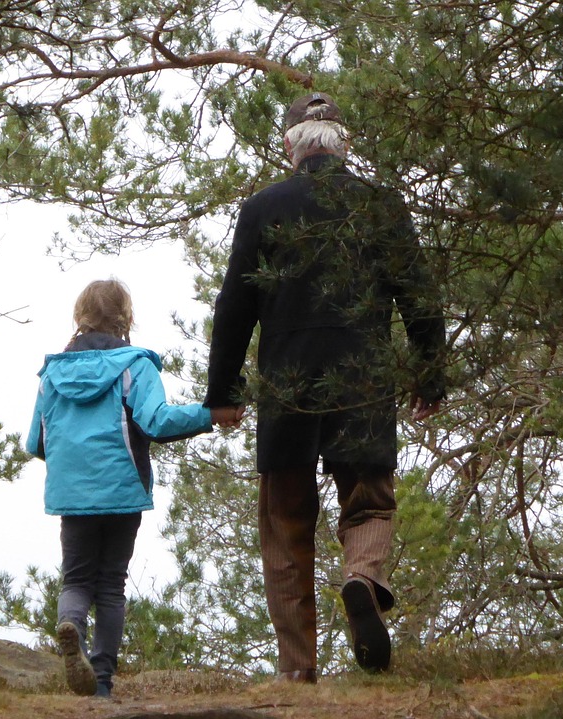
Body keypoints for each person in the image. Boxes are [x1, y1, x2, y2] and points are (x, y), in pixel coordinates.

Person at [204, 92, 447, 681]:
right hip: (363, 382)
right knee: (369, 502)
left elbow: (235, 305)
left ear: (290, 146)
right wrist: (429, 375)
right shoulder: (381, 207)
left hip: (288, 386)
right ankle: (362, 580)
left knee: (286, 526)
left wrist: (225, 391)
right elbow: (420, 299)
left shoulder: (263, 208)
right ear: (346, 143)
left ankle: (297, 672)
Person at [27, 278, 239, 698]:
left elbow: (36, 441)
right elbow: (157, 421)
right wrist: (211, 414)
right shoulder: (134, 365)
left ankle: (71, 628)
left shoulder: (52, 373)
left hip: (72, 494)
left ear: (80, 316)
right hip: (122, 490)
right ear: (126, 317)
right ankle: (101, 680)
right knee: (110, 584)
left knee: (76, 579)